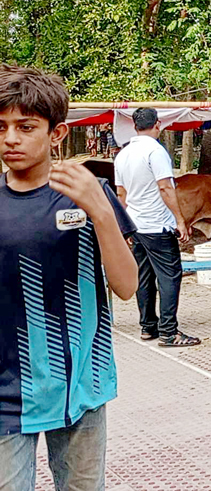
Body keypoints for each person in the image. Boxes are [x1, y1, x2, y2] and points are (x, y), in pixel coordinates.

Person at [0, 65, 137, 491]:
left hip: (82, 383)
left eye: (26, 127)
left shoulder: (89, 191)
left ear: (56, 134)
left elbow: (127, 285)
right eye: (2, 127)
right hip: (7, 393)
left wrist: (99, 210)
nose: (10, 139)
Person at [114, 108, 201, 347]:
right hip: (156, 224)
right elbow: (165, 187)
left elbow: (121, 194)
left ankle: (147, 327)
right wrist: (179, 220)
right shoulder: (155, 151)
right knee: (169, 276)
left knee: (143, 276)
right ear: (158, 124)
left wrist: (123, 226)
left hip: (135, 224)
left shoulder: (123, 154)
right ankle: (169, 331)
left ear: (134, 126)